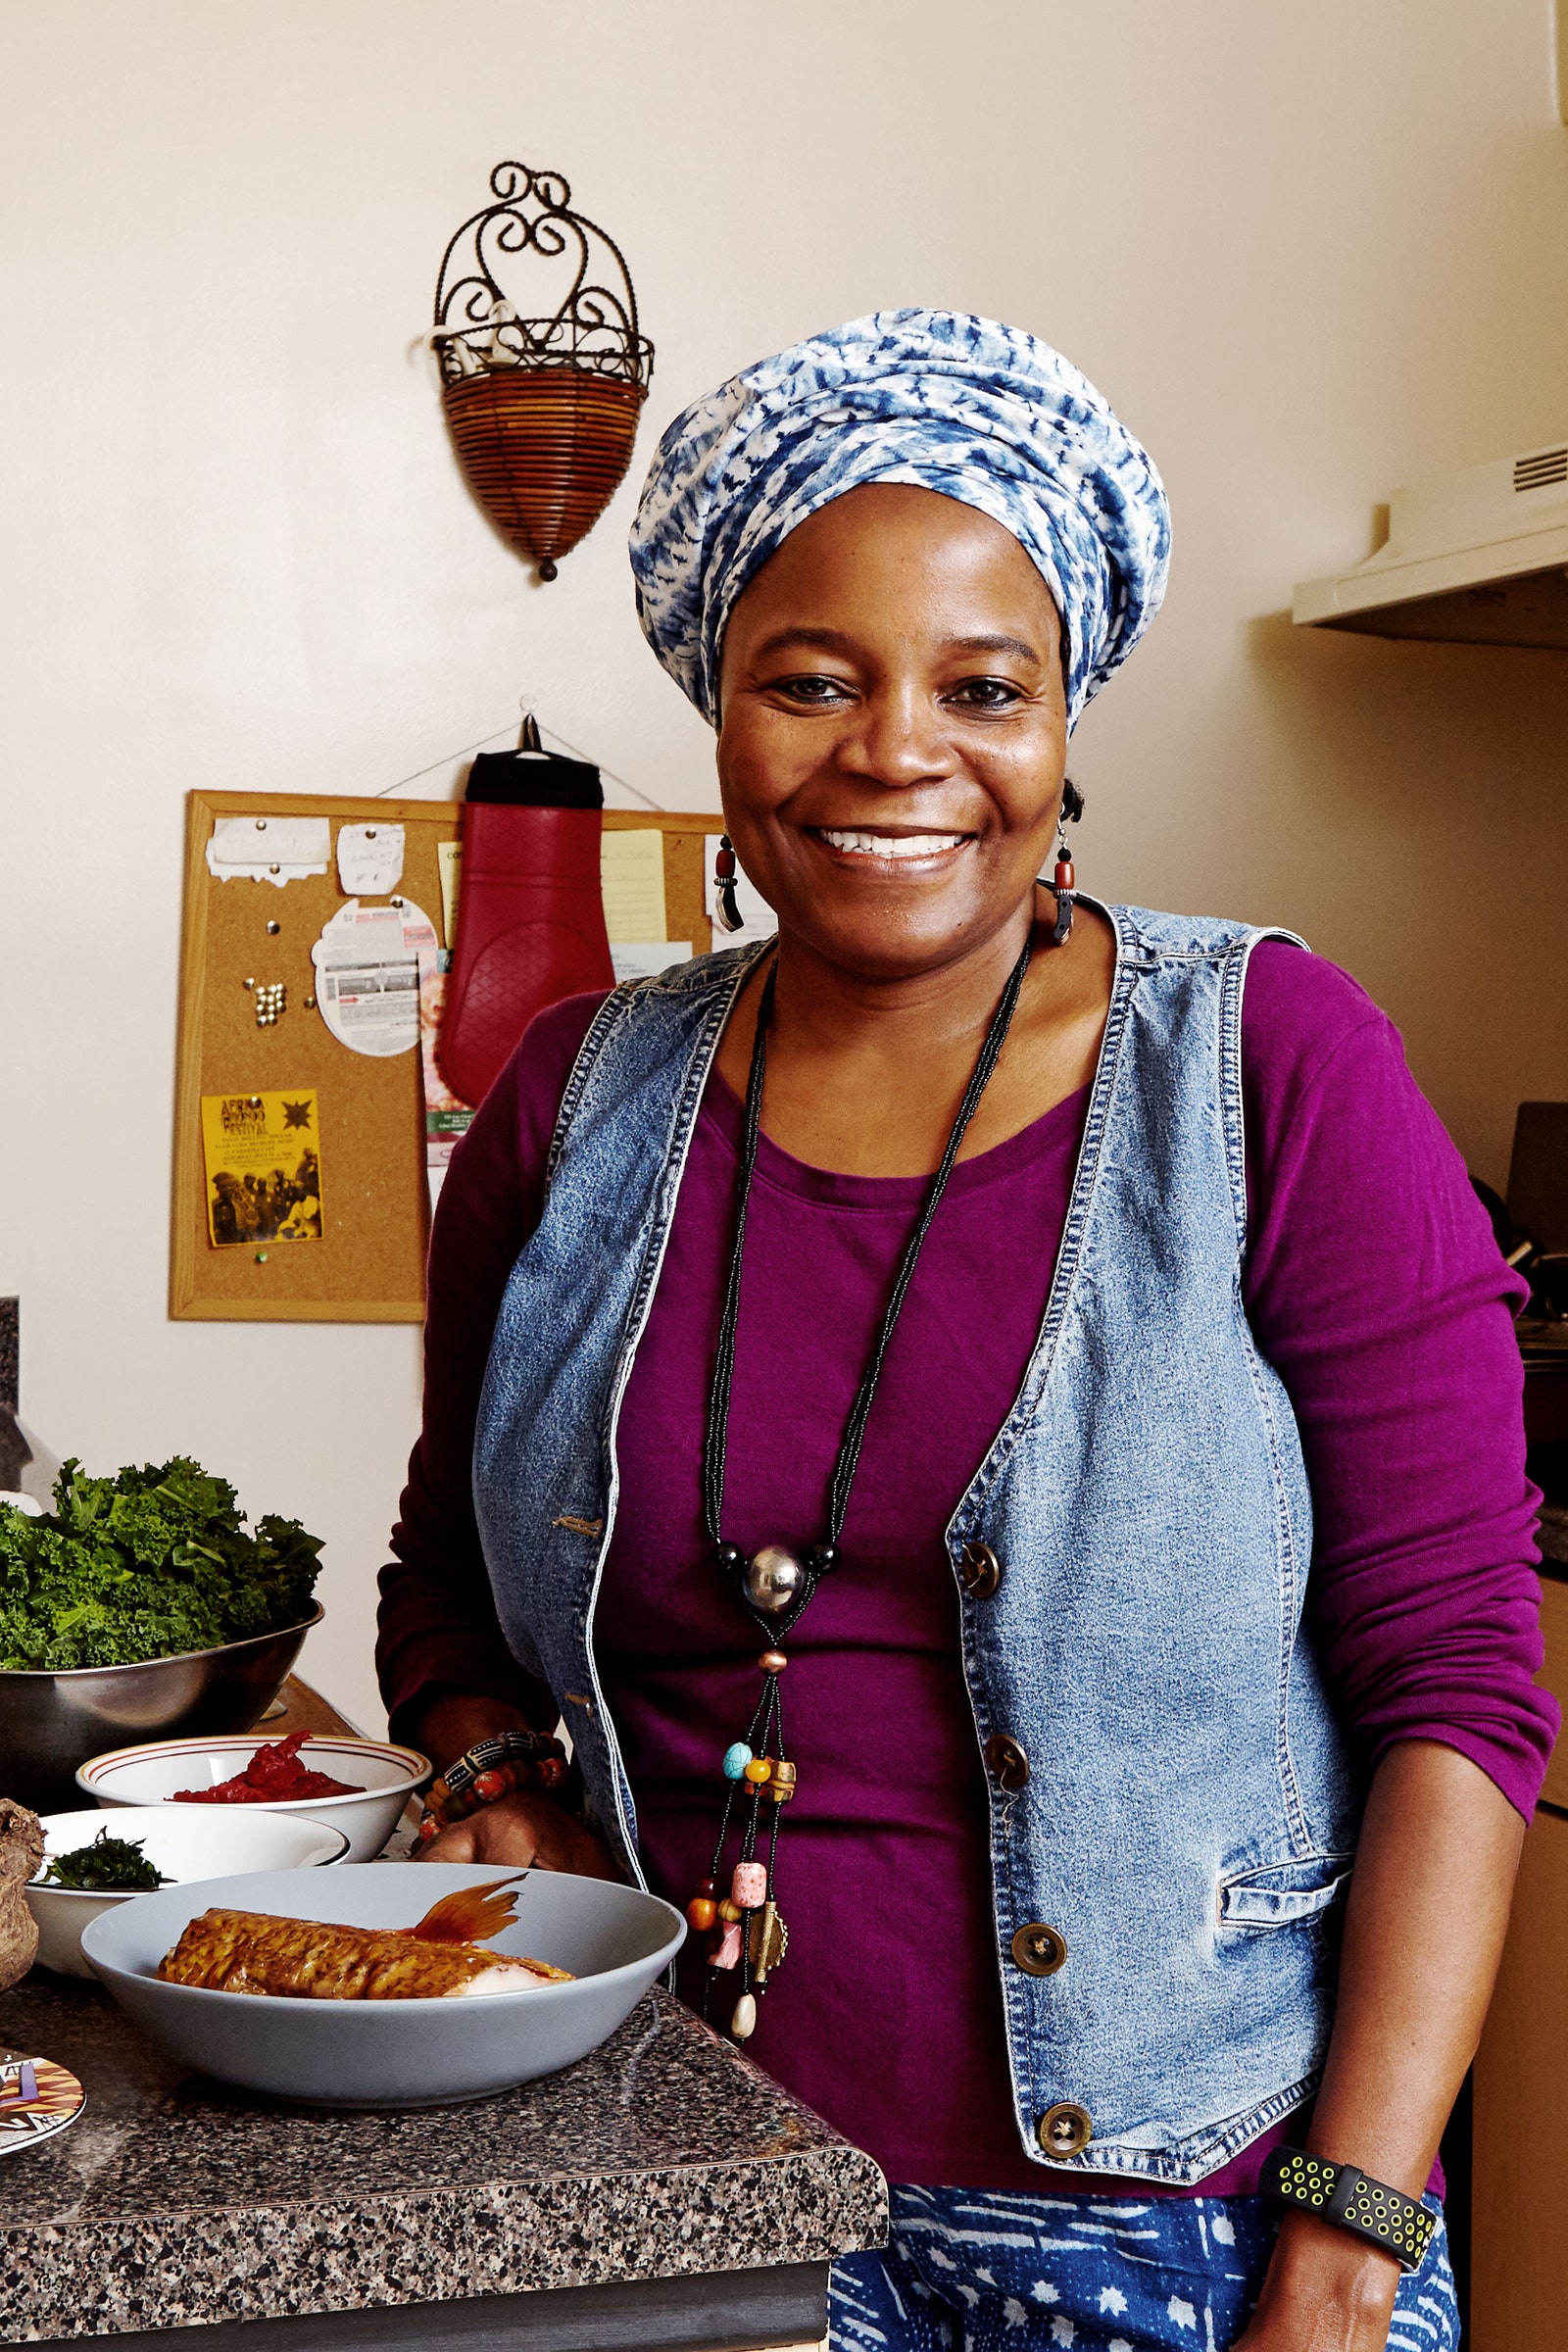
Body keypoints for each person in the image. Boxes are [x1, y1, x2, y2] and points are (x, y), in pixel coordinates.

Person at [378, 313, 1557, 2352]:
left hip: (1186, 2229)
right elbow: (442, 1585)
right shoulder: (567, 1111)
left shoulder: (1267, 1064)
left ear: (1061, 717)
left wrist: (1346, 2245)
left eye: (978, 687)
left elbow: (1457, 1682)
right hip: (683, 2194)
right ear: (721, 711)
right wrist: (492, 1759)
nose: (896, 752)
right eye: (810, 680)